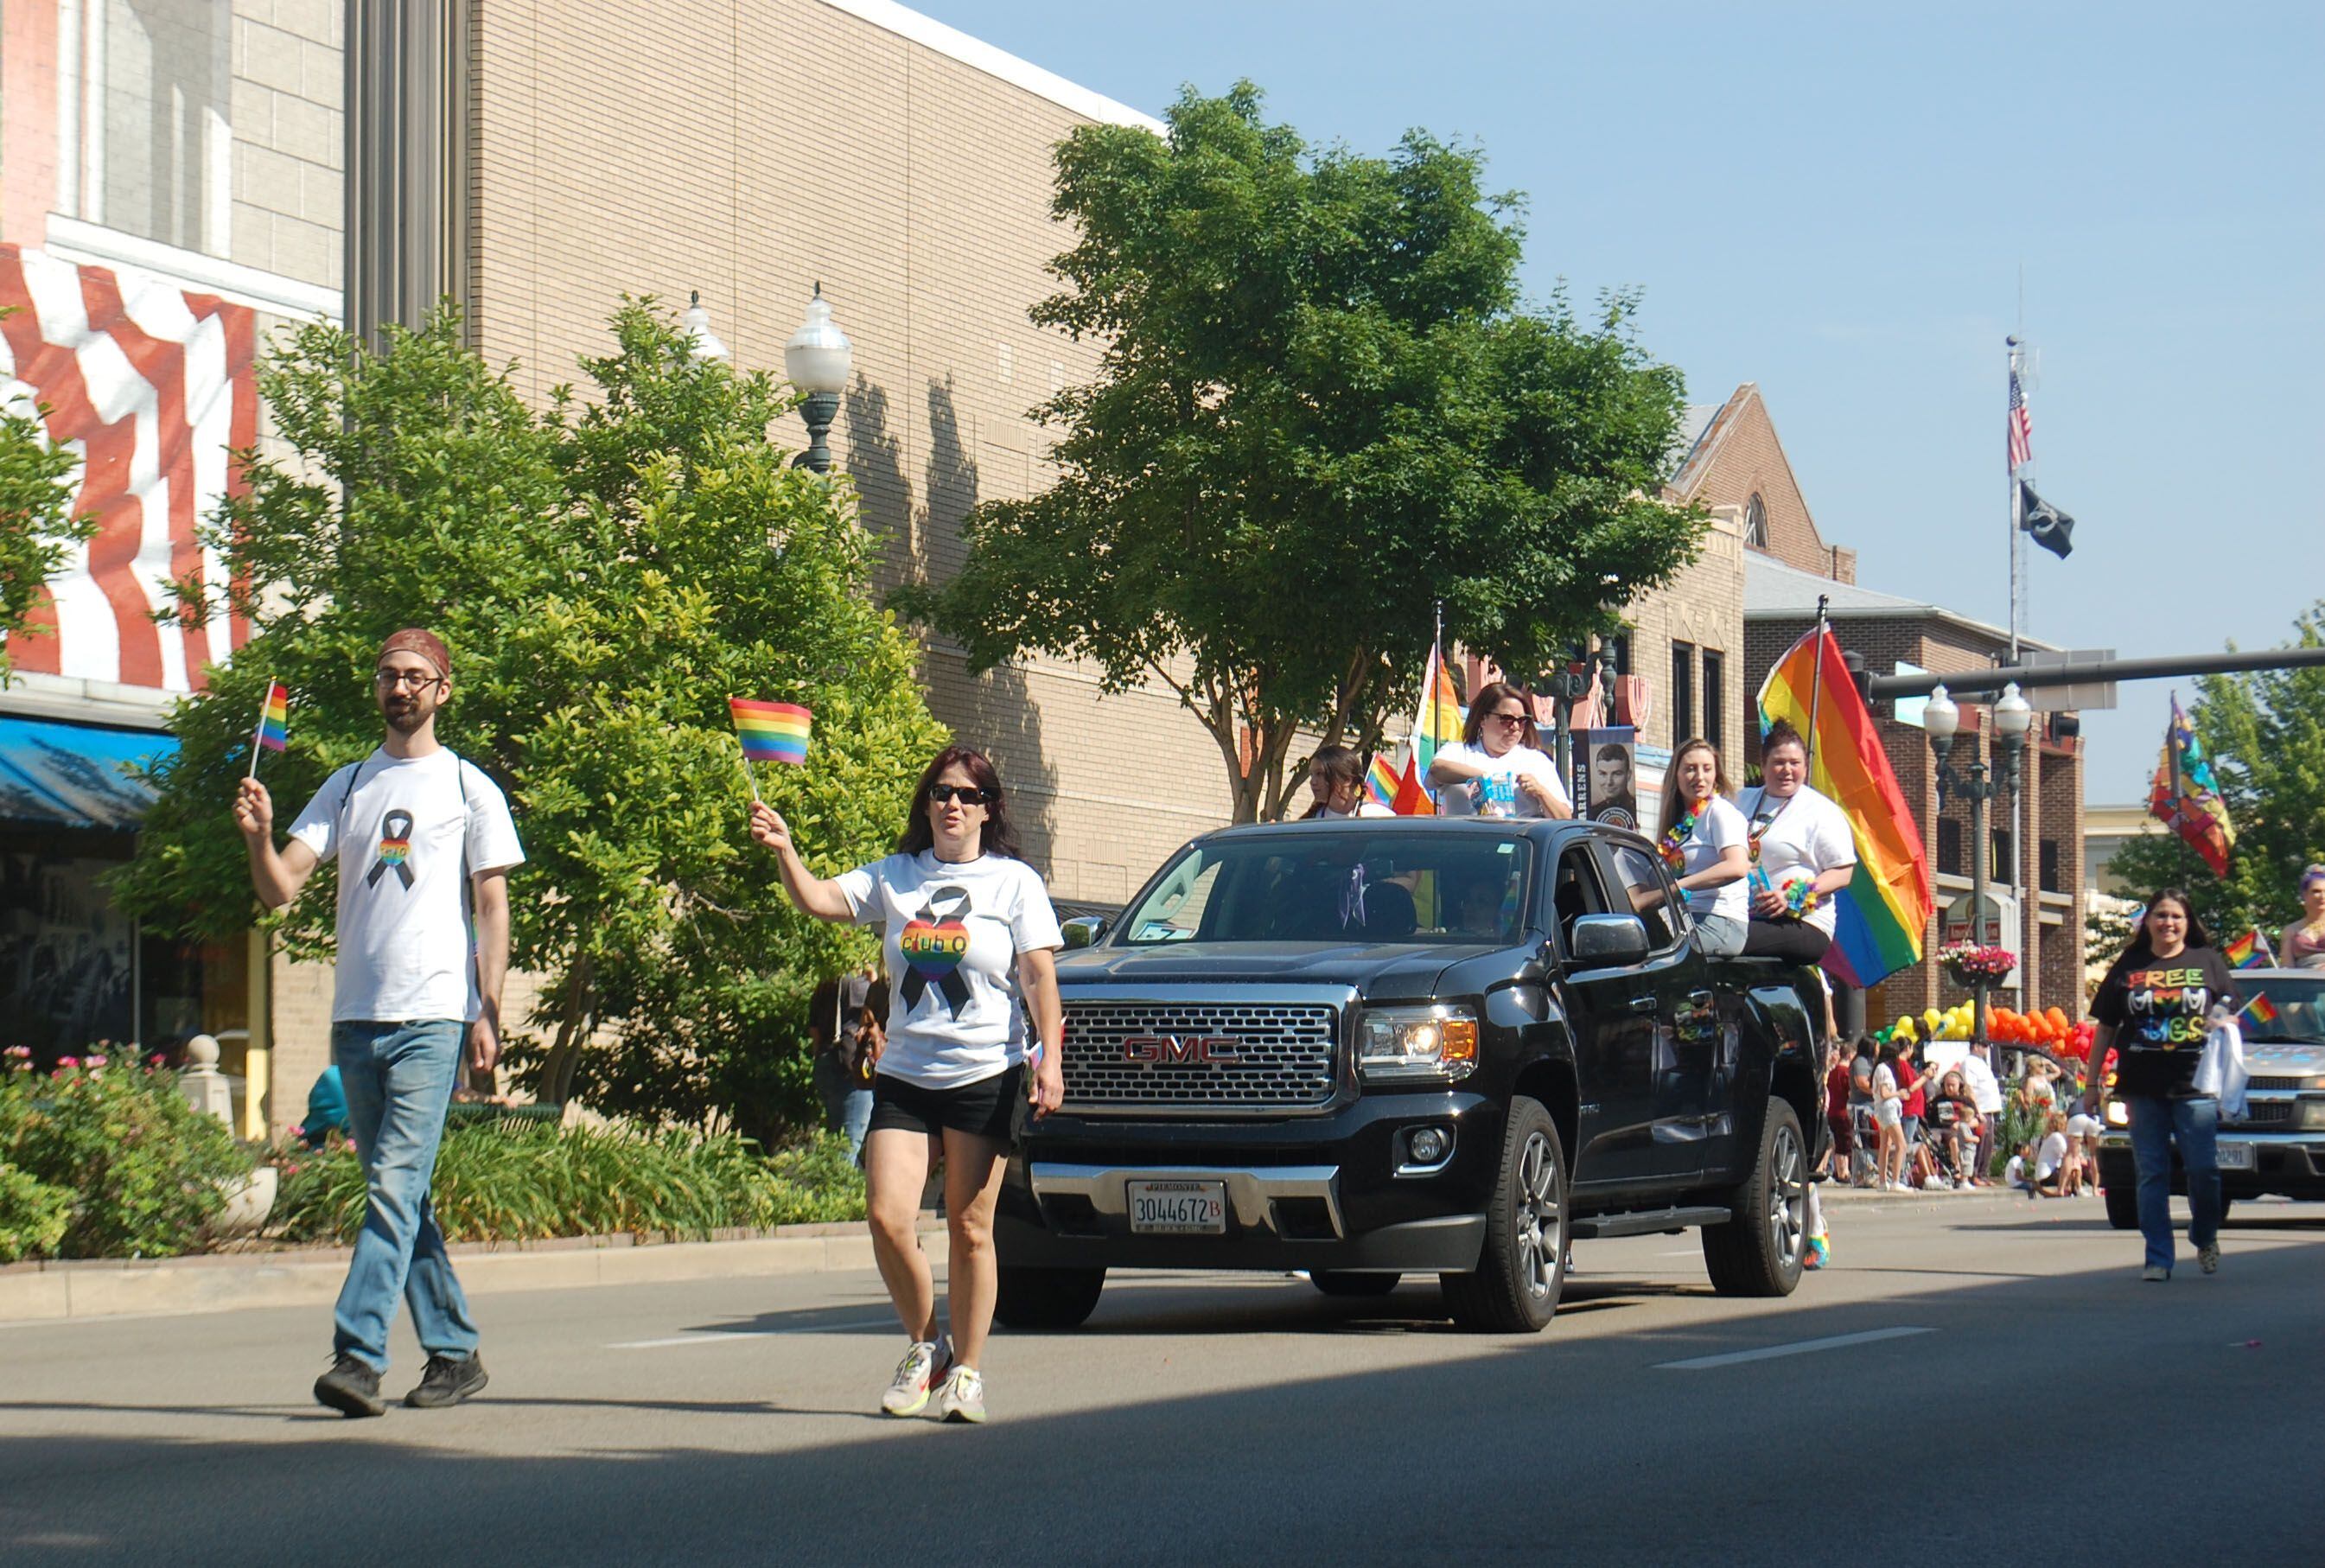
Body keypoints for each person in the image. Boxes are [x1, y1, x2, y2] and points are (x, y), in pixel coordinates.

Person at [233, 628, 521, 1418]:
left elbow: (491, 907)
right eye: (389, 675)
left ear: (442, 690)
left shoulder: (470, 787)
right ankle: (456, 1353)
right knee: (402, 1194)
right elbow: (280, 888)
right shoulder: (349, 784)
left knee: (393, 1187)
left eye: (416, 677)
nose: (400, 688)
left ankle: (358, 1356)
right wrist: (260, 838)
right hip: (356, 1016)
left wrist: (485, 1012)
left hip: (433, 1015)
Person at [750, 744, 1064, 1423]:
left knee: (969, 1228)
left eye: (969, 795)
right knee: (888, 1217)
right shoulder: (897, 876)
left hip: (986, 1070)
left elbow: (1039, 976)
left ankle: (970, 1373)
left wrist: (1052, 1060)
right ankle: (928, 1348)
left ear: (988, 809)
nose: (955, 804)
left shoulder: (1014, 883)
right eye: (943, 792)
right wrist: (785, 849)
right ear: (927, 804)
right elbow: (819, 900)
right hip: (907, 1074)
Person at [2084, 889, 2238, 1278]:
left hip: (2196, 1085)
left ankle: (2204, 1235)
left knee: (2203, 1170)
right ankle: (2157, 1258)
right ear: (2148, 921)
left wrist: (2225, 1022)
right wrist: (2090, 1083)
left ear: (2188, 923)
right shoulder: (2130, 964)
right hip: (2142, 1085)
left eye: (2176, 917)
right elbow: (2105, 1027)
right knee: (2151, 1173)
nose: (2168, 923)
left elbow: (2239, 1010)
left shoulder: (2207, 961)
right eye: (2161, 916)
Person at [1734, 719, 1857, 966]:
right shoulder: (1740, 800)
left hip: (1801, 923)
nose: (1787, 770)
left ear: (1805, 766)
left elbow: (1842, 873)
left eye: (1795, 763)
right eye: (1778, 762)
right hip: (1744, 914)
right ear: (1763, 764)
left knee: (1726, 938)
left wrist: (1789, 897)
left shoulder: (1820, 811)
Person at [1656, 738, 1750, 957]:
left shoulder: (1720, 812)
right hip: (1687, 917)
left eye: (1707, 769)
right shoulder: (1682, 821)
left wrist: (1676, 887)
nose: (1700, 777)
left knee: (1653, 954)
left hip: (1721, 923)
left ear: (1716, 774)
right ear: (1676, 775)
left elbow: (1737, 866)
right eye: (1690, 769)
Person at [1426, 682, 1571, 819]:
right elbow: (1437, 770)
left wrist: (1541, 792)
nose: (1515, 726)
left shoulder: (1537, 761)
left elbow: (1565, 819)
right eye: (1506, 719)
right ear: (1483, 719)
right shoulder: (1458, 752)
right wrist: (1486, 777)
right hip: (1466, 843)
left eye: (1521, 720)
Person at [809, 965, 881, 1157]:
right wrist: (874, 981)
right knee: (849, 1144)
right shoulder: (860, 985)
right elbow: (880, 1009)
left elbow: (813, 1028)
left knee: (835, 1139)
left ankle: (832, 1184)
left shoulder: (826, 983)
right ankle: (836, 1186)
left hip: (825, 1063)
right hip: (852, 1070)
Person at [1301, 744, 1392, 819]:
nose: (1313, 782)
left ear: (1347, 780)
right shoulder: (1309, 822)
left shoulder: (1378, 816)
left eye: (1320, 774)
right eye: (1311, 775)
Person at [1960, 1042, 2005, 1183]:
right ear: (1976, 1046)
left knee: (1988, 1143)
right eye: (1984, 1045)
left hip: (1989, 1109)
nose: (1987, 1049)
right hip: (1981, 1109)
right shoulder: (1969, 1063)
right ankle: (1974, 1175)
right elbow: (1969, 1088)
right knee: (1980, 1143)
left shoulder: (1982, 1063)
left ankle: (1982, 1174)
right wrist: (1977, 1110)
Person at [1870, 1042, 1908, 1191]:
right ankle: (1896, 1181)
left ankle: (1882, 1181)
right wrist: (1899, 1093)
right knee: (1901, 1145)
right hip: (1888, 1110)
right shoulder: (1884, 1070)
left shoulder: (1878, 1069)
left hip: (1881, 1110)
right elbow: (1884, 1093)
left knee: (1884, 1146)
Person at [2277, 864, 2325, 969]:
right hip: (2303, 983)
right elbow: (2287, 969)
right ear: (2305, 894)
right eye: (2316, 891)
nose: (2322, 896)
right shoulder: (2290, 930)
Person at [1587, 743, 1638, 830]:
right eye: (1603, 774)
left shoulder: (1637, 812)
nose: (1609, 782)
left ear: (1628, 775)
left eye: (1616, 774)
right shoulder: (1592, 812)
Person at [2032, 1112, 2082, 1197]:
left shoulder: (2052, 1137)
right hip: (2047, 1175)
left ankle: (2070, 1190)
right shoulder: (2057, 1137)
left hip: (2045, 1174)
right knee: (2074, 1168)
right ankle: (2075, 1190)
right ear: (2062, 1124)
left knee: (2072, 1166)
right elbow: (2068, 1156)